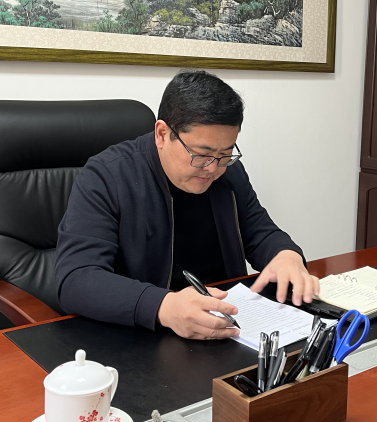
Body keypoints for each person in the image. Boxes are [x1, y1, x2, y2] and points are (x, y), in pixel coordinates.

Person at [55, 70, 319, 340]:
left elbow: (259, 230)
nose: (213, 168)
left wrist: (285, 254)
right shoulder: (107, 176)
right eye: (202, 154)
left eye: (226, 153)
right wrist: (164, 306)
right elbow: (76, 279)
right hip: (142, 334)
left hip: (222, 328)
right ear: (162, 134)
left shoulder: (227, 172)